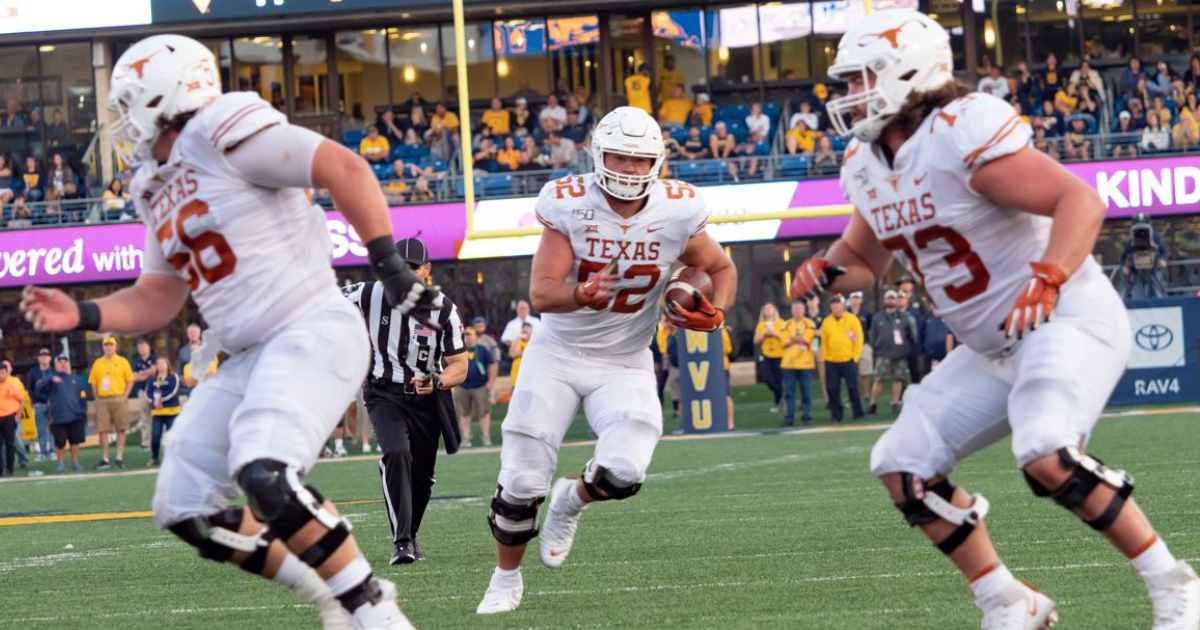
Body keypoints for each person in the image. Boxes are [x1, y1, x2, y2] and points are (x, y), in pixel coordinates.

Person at [792, 10, 1199, 628]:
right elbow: (862, 259)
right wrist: (824, 271)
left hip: (1064, 319)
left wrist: (1051, 273)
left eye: (860, 79)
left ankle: (1174, 583)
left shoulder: (959, 132)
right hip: (990, 348)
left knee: (1045, 452)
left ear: (907, 71)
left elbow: (1079, 199)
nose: (850, 96)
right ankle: (1008, 601)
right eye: (848, 84)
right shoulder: (868, 163)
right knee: (902, 464)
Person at [19, 35, 440, 629]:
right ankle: (326, 592)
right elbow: (159, 294)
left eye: (129, 102)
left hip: (306, 328)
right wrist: (83, 315)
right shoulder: (152, 181)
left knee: (264, 471)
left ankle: (373, 607)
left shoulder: (222, 128)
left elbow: (341, 166)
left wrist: (390, 266)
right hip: (244, 355)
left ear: (167, 95)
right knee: (186, 510)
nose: (123, 119)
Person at [475, 106, 736, 614]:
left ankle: (572, 499)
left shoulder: (678, 208)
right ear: (598, 154)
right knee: (524, 478)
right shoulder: (568, 200)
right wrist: (582, 293)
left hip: (625, 358)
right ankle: (505, 578)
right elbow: (543, 293)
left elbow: (719, 266)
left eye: (641, 160)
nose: (630, 169)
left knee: (625, 468)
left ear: (657, 161)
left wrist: (715, 311)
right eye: (620, 156)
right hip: (557, 352)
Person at [344, 237, 466, 565]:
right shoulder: (367, 294)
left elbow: (460, 367)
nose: (407, 274)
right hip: (383, 393)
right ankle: (402, 542)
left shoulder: (444, 310)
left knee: (423, 476)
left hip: (427, 399)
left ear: (426, 270)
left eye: (413, 268)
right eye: (401, 267)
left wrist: (438, 380)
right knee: (397, 453)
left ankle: (410, 536)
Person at [88, 337, 134, 470]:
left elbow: (130, 380)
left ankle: (119, 457)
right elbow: (93, 382)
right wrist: (96, 397)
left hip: (118, 397)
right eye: (106, 345)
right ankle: (105, 458)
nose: (109, 348)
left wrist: (125, 396)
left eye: (111, 345)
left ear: (115, 347)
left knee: (121, 428)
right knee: (103, 429)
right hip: (103, 399)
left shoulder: (122, 362)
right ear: (103, 347)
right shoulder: (98, 363)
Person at [817, 295, 864, 423]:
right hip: (832, 361)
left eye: (837, 304)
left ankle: (858, 413)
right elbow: (824, 341)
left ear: (842, 305)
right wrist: (826, 357)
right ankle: (836, 415)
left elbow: (858, 339)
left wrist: (855, 357)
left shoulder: (852, 319)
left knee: (853, 388)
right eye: (833, 304)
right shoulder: (827, 321)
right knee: (832, 389)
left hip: (848, 359)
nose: (835, 306)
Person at [37, 354, 86, 472]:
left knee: (75, 441)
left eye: (65, 362)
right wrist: (50, 380)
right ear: (55, 364)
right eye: (60, 362)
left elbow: (82, 396)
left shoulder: (73, 378)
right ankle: (61, 463)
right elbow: (39, 387)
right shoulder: (51, 379)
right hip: (58, 416)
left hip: (75, 416)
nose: (63, 364)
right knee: (60, 443)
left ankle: (75, 462)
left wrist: (82, 410)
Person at [867, 290, 912, 415]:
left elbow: (909, 334)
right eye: (888, 298)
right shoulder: (878, 317)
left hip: (900, 353)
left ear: (896, 300)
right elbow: (873, 335)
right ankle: (873, 404)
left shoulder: (903, 317)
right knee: (879, 379)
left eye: (893, 298)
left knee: (898, 379)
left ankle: (896, 403)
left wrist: (906, 348)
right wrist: (876, 348)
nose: (891, 301)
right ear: (885, 300)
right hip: (883, 353)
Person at [455, 328, 497, 448]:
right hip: (462, 386)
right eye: (466, 335)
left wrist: (491, 382)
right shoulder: (459, 350)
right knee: (464, 413)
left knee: (484, 412)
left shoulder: (482, 349)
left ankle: (486, 437)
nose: (468, 337)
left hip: (481, 386)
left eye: (470, 335)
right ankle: (466, 437)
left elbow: (492, 364)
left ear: (475, 336)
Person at [780, 301, 816, 426]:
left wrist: (793, 338)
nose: (797, 312)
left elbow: (807, 338)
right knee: (789, 392)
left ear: (804, 311)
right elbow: (784, 341)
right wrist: (798, 338)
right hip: (788, 363)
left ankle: (806, 415)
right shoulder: (785, 324)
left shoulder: (809, 323)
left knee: (806, 391)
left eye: (800, 310)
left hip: (805, 363)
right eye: (795, 310)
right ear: (792, 311)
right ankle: (789, 417)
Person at [145, 357, 181, 466]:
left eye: (163, 363)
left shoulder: (173, 377)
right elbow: (148, 393)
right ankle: (155, 457)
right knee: (156, 436)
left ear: (167, 365)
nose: (160, 365)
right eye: (158, 363)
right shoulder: (152, 380)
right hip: (157, 413)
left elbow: (172, 391)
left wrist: (161, 400)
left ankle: (174, 458)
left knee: (172, 436)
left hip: (172, 412)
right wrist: (154, 401)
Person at [752, 303, 786, 413]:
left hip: (779, 355)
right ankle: (782, 397)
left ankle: (777, 403)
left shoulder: (781, 323)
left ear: (774, 310)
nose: (768, 310)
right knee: (767, 379)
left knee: (779, 380)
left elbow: (786, 338)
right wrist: (765, 334)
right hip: (766, 355)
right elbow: (756, 340)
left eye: (770, 308)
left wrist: (774, 333)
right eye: (765, 308)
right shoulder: (761, 325)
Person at [26, 348, 56, 460]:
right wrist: (34, 401)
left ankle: (52, 451)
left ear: (50, 358)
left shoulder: (53, 371)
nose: (44, 357)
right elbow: (29, 387)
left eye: (46, 355)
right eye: (42, 355)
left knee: (53, 429)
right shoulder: (34, 372)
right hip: (40, 404)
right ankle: (43, 452)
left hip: (52, 404)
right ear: (38, 358)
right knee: (41, 429)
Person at [131, 338, 158, 452]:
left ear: (149, 347)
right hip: (142, 391)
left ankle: (159, 440)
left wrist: (142, 373)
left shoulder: (154, 358)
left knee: (158, 416)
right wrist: (147, 374)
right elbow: (134, 376)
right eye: (140, 347)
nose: (142, 349)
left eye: (144, 346)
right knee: (145, 417)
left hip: (155, 391)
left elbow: (154, 370)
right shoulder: (137, 361)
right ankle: (146, 442)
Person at [0, 361, 25, 476]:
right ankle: (1, 468)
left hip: (9, 417)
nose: (1, 375)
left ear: (7, 373)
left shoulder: (12, 385)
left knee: (10, 443)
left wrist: (18, 415)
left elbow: (22, 401)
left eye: (3, 373)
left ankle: (10, 468)